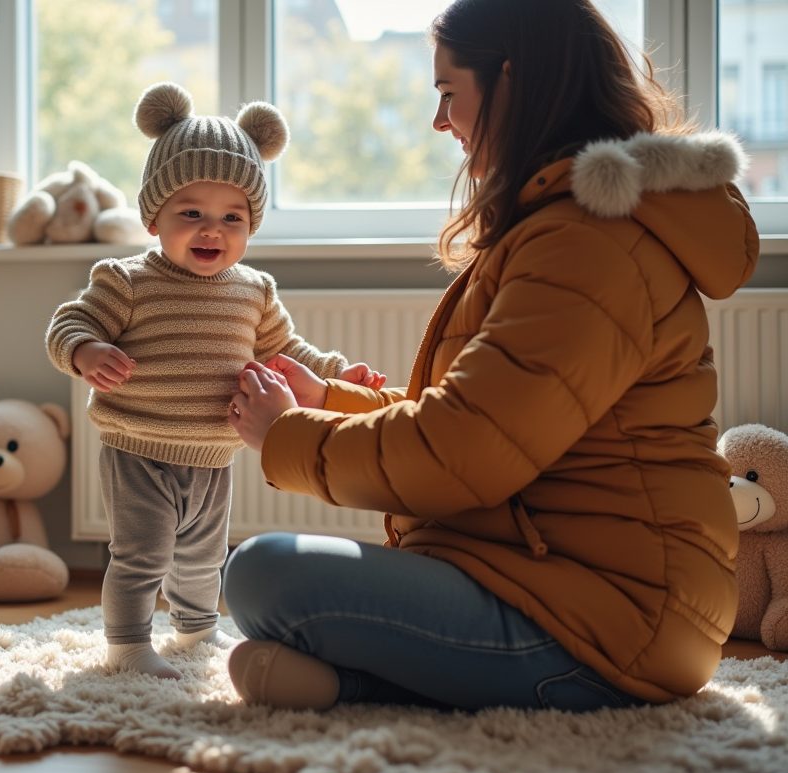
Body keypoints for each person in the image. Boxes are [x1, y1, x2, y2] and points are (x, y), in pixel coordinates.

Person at [222, 0, 759, 712]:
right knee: (265, 574)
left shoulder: (589, 243)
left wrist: (288, 436)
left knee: (261, 573)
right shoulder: (560, 227)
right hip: (552, 578)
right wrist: (328, 402)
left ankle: (370, 686)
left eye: (448, 93)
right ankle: (365, 685)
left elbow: (463, 453)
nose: (439, 122)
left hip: (615, 621)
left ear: (511, 80)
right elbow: (477, 418)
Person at [46, 82, 385, 680]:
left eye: (232, 217)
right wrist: (86, 349)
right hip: (138, 447)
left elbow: (288, 351)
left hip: (212, 453)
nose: (212, 230)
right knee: (141, 555)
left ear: (251, 224)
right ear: (154, 217)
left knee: (204, 557)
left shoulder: (255, 291)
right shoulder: (125, 281)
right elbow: (67, 322)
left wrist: (337, 375)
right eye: (191, 214)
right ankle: (127, 646)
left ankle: (197, 629)